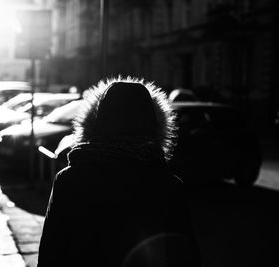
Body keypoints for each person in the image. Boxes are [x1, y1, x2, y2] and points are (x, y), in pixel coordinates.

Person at [37, 77, 202, 267]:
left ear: (97, 122)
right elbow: (185, 257)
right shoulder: (167, 185)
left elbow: (51, 252)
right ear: (153, 124)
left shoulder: (69, 180)